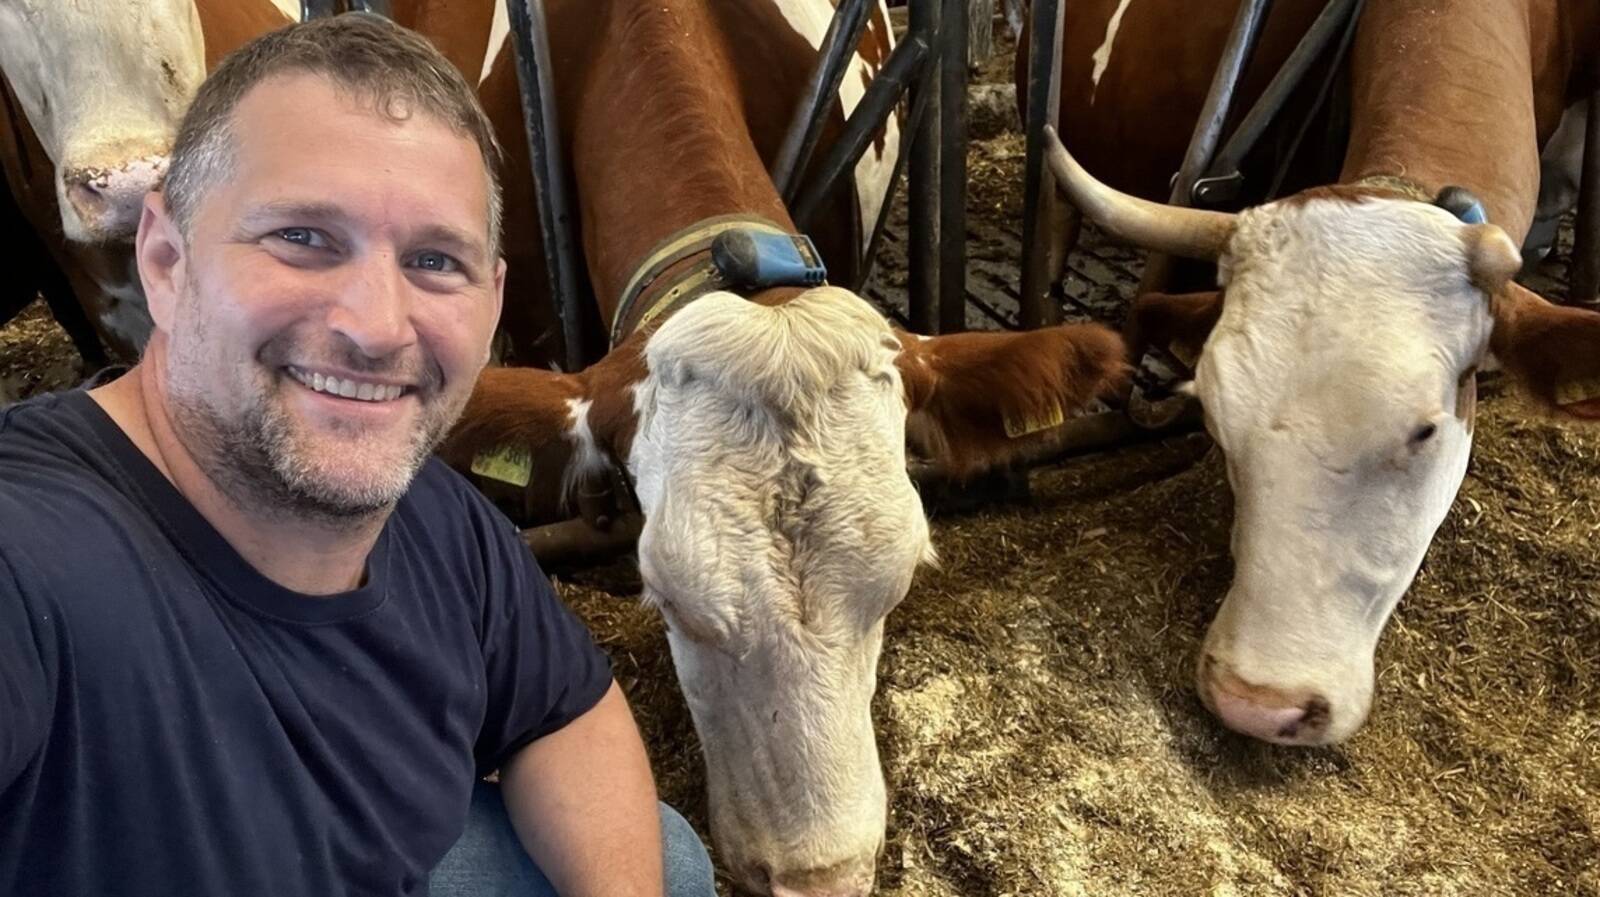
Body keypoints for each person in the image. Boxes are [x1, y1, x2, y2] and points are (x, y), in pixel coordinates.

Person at [0, 14, 714, 897]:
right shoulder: (34, 559)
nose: (377, 328)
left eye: (434, 260)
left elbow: (567, 709)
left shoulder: (435, 517)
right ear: (165, 259)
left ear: (493, 302)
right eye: (302, 237)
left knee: (668, 858)